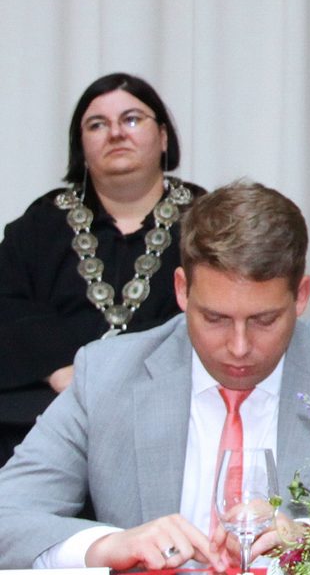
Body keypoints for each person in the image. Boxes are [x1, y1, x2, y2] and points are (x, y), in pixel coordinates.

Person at [0, 180, 310, 570]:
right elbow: (8, 515)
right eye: (215, 318)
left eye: (264, 320)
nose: (239, 346)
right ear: (182, 290)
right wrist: (109, 545)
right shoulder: (107, 375)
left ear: (301, 296)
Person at [0, 73, 205, 467]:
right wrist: (60, 370)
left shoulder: (209, 220)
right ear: (81, 145)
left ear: (163, 137)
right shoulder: (41, 223)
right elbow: (8, 302)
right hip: (48, 410)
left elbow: (215, 312)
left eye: (132, 119)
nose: (116, 133)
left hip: (168, 407)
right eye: (97, 125)